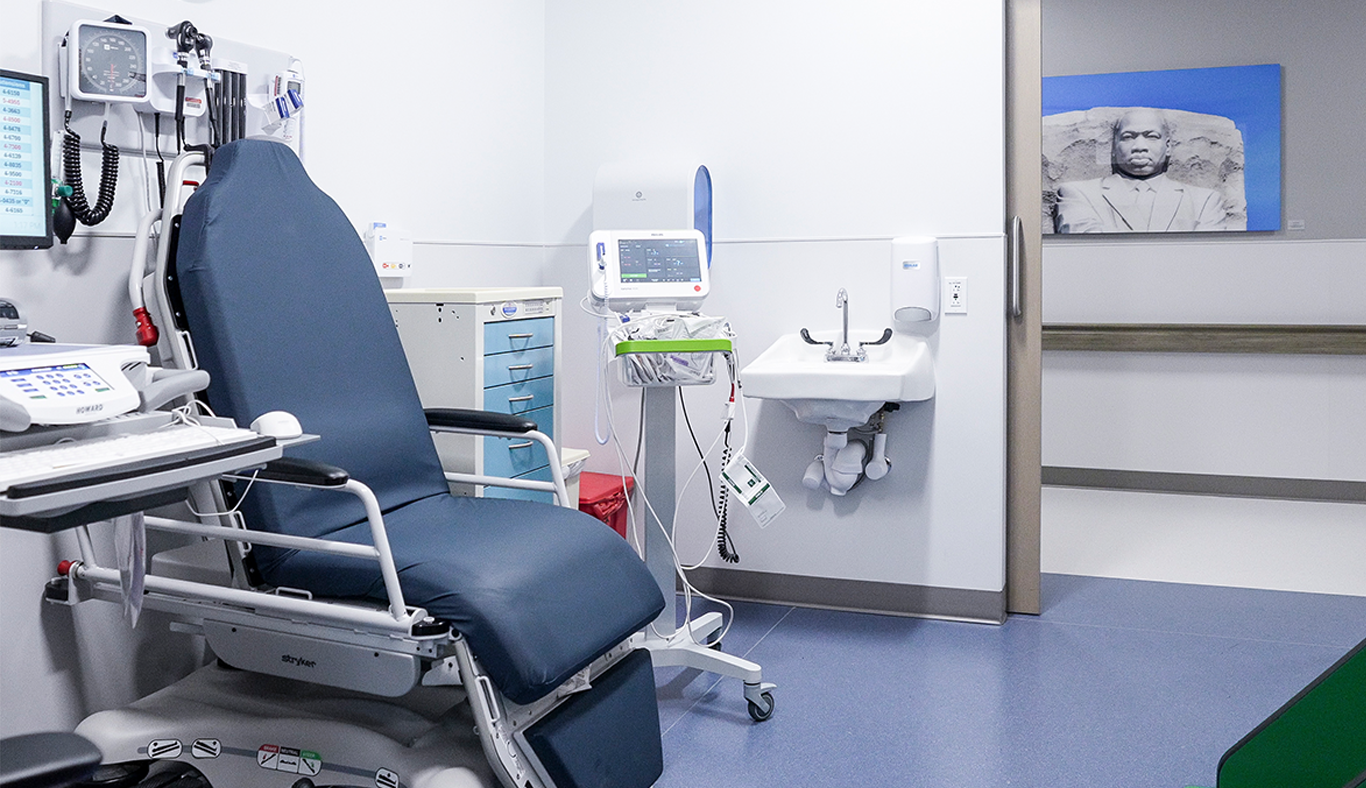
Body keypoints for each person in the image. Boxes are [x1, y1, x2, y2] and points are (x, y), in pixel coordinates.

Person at [1054, 108, 1238, 233]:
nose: (1139, 146)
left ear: (1168, 147)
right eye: (1128, 137)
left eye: (1151, 136)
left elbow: (1208, 253)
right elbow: (1088, 249)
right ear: (1112, 148)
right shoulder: (1078, 194)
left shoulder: (1204, 201)